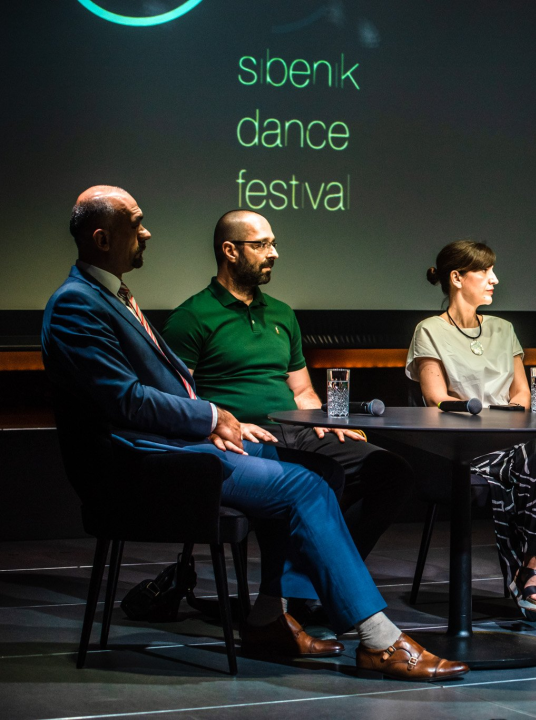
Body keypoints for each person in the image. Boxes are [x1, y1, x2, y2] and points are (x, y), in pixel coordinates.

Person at [42, 186, 467, 681]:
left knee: (321, 471)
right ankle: (379, 640)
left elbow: (169, 389)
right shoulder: (77, 304)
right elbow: (124, 400)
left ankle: (270, 616)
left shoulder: (109, 295)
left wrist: (220, 419)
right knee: (302, 484)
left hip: (180, 447)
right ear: (101, 237)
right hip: (143, 464)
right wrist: (212, 419)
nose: (146, 231)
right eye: (135, 223)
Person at [161, 210, 414, 563]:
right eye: (261, 244)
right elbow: (176, 395)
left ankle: (328, 572)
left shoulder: (281, 313)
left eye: (274, 244)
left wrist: (322, 421)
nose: (274, 253)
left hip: (296, 429)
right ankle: (302, 587)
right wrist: (221, 422)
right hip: (245, 436)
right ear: (230, 251)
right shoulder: (191, 317)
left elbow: (303, 391)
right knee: (307, 478)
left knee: (390, 471)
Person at [405, 240, 536, 623]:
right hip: (466, 444)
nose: (495, 279)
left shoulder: (503, 328)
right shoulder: (428, 331)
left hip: (516, 440)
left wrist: (510, 418)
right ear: (457, 278)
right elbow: (436, 399)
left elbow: (521, 392)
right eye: (485, 271)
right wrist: (488, 418)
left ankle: (530, 568)